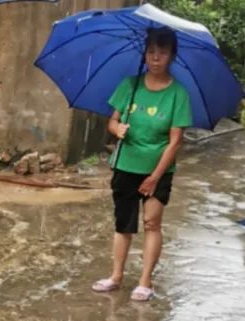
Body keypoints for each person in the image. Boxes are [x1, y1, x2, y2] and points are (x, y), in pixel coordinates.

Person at [91, 27, 192, 303]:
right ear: (144, 54)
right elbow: (111, 120)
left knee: (151, 222)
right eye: (151, 52)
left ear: (171, 56)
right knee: (123, 223)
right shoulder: (129, 85)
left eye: (162, 53)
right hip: (126, 165)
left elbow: (175, 142)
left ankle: (145, 281)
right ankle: (116, 276)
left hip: (157, 170)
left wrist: (155, 177)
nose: (155, 58)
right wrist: (117, 129)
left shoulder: (178, 94)